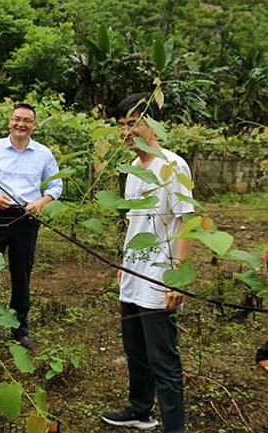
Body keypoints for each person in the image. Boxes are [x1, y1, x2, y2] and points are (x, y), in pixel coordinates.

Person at [101, 94, 195, 433]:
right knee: (135, 350)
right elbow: (136, 223)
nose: (126, 131)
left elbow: (186, 222)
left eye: (133, 122)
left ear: (152, 124)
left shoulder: (171, 164)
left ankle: (174, 427)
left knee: (163, 359)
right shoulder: (133, 171)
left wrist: (177, 277)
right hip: (134, 273)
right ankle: (141, 410)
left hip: (159, 275)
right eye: (121, 125)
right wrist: (124, 263)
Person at [0, 103, 63, 351]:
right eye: (17, 119)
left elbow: (55, 187)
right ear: (9, 121)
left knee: (22, 275)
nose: (21, 124)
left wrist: (40, 202)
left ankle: (20, 331)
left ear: (34, 125)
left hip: (26, 218)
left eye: (27, 120)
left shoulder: (43, 154)